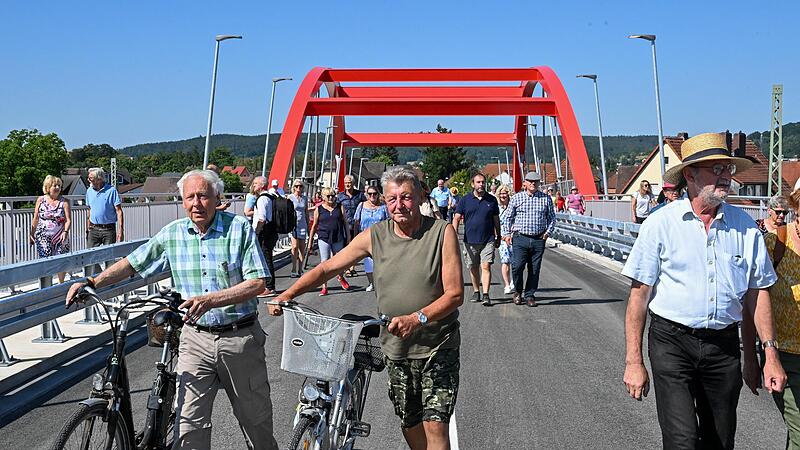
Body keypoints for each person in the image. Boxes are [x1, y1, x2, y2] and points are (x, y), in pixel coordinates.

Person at [65, 169, 279, 450]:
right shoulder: (173, 234)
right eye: (189, 197)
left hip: (239, 338)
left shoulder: (238, 228)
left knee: (255, 422)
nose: (196, 203)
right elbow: (132, 263)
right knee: (188, 427)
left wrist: (211, 300)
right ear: (182, 201)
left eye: (202, 196)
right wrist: (93, 281)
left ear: (217, 197)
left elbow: (258, 282)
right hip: (194, 339)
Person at [272, 167, 463, 450]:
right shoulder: (376, 235)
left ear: (420, 197)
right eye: (392, 199)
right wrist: (286, 294)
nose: (399, 205)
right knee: (409, 422)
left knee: (435, 424)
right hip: (396, 347)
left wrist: (418, 318)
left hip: (437, 346)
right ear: (385, 202)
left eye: (406, 197)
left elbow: (455, 294)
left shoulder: (441, 232)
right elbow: (327, 267)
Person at [622, 132, 786, 449]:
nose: (725, 177)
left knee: (720, 440)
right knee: (682, 440)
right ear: (690, 175)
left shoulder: (746, 228)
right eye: (716, 169)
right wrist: (633, 361)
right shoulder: (660, 224)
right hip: (672, 342)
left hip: (723, 346)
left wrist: (765, 356)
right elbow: (639, 296)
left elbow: (757, 295)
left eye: (728, 169)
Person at [503, 172, 555, 307]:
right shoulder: (517, 198)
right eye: (530, 181)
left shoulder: (546, 199)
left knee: (535, 269)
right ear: (524, 183)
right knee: (517, 266)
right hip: (521, 238)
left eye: (536, 181)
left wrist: (547, 233)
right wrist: (507, 234)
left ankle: (530, 295)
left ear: (539, 183)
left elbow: (552, 218)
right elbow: (508, 217)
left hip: (538, 239)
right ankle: (518, 292)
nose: (533, 183)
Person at [452, 172, 501, 306]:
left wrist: (499, 235)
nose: (481, 184)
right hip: (470, 240)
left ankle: (486, 294)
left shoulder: (491, 200)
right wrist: (454, 234)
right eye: (478, 182)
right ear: (473, 184)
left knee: (486, 266)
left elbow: (496, 220)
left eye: (483, 182)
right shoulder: (465, 200)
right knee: (473, 267)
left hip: (488, 239)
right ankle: (476, 290)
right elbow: (456, 218)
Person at [308, 187, 350, 295]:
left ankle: (340, 277)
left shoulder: (340, 207)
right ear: (323, 197)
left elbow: (345, 223)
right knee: (324, 262)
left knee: (339, 262)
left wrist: (348, 238)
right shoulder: (319, 209)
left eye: (333, 195)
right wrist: (310, 242)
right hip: (324, 237)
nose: (331, 198)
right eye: (328, 196)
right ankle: (324, 286)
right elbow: (314, 226)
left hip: (338, 237)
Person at [30, 175, 72, 283]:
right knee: (46, 261)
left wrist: (65, 232)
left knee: (61, 260)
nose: (58, 188)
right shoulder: (41, 200)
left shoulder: (64, 202)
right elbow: (36, 218)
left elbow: (68, 220)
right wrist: (31, 234)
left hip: (60, 235)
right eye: (55, 186)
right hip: (43, 235)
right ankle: (47, 286)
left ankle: (60, 283)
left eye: (59, 186)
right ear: (48, 187)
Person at [354, 186, 389, 292]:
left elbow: (388, 222)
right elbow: (356, 222)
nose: (372, 196)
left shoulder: (383, 207)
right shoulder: (361, 206)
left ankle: (381, 283)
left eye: (374, 194)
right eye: (370, 194)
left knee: (380, 262)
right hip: (365, 238)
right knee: (368, 262)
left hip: (380, 238)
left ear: (378, 194)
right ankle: (371, 283)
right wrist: (355, 238)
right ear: (366, 195)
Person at [252, 176, 278, 296]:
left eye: (256, 183)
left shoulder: (262, 199)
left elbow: (261, 219)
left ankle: (269, 287)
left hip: (265, 232)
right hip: (272, 231)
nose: (253, 185)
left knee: (266, 259)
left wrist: (256, 232)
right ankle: (269, 286)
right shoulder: (272, 197)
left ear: (262, 185)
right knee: (268, 257)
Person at [86, 167, 124, 247]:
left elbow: (119, 211)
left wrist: (120, 231)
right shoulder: (89, 191)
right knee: (90, 256)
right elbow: (89, 209)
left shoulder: (111, 191)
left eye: (91, 178)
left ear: (99, 179)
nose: (88, 180)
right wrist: (87, 228)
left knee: (109, 257)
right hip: (93, 229)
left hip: (108, 229)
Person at [337, 175, 366, 276]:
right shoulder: (340, 196)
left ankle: (352, 267)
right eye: (346, 183)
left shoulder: (360, 195)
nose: (347, 185)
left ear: (353, 183)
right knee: (345, 247)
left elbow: (366, 205)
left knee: (355, 247)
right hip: (345, 225)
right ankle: (347, 268)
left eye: (349, 183)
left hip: (357, 225)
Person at [287, 179, 309, 278]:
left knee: (302, 248)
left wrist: (309, 226)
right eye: (296, 186)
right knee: (294, 247)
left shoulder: (304, 198)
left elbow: (306, 212)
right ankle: (293, 269)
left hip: (302, 224)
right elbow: (287, 211)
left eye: (300, 186)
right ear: (294, 187)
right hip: (294, 225)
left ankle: (300, 269)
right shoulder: (290, 197)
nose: (298, 188)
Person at [496, 184, 515, 295]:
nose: (503, 195)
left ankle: (514, 281)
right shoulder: (497, 208)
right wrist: (499, 236)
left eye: (505, 193)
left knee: (516, 261)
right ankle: (507, 285)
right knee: (505, 261)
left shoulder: (513, 206)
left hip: (513, 237)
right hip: (502, 237)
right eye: (501, 193)